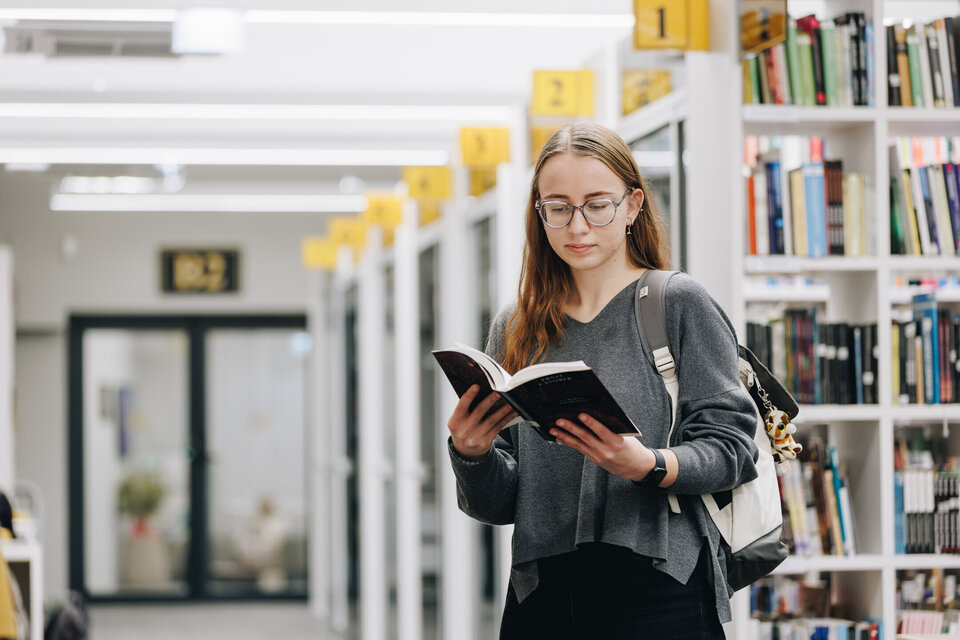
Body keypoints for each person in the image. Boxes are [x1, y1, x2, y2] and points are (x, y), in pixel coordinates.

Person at [445, 122, 760, 639]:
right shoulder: (518, 326)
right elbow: (498, 505)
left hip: (660, 586)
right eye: (559, 207)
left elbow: (732, 450)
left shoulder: (677, 304)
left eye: (597, 204)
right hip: (541, 592)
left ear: (633, 205)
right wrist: (472, 454)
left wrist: (649, 465)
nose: (578, 226)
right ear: (539, 212)